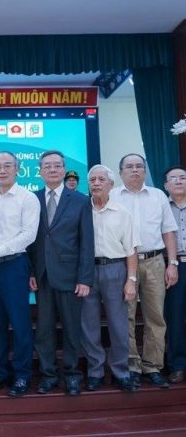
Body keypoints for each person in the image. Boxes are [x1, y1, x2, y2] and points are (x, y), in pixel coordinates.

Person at [29, 150, 94, 396]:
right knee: (44, 329)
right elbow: (29, 241)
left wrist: (85, 278)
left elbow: (87, 242)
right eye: (47, 166)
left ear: (64, 169)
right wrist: (30, 272)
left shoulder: (80, 200)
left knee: (71, 328)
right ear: (40, 171)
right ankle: (48, 375)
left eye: (57, 165)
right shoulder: (32, 199)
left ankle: (72, 375)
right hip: (42, 275)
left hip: (70, 276)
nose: (52, 169)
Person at [110, 153, 178, 389]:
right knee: (125, 316)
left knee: (155, 316)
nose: (135, 170)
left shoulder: (158, 196)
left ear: (145, 170)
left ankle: (153, 366)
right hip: (122, 263)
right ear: (120, 172)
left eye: (139, 166)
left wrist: (172, 263)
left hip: (154, 261)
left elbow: (168, 230)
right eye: (129, 166)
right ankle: (131, 365)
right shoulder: (112, 196)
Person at [0, 151, 40, 397]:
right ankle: (0, 373)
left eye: (7, 166)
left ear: (17, 169)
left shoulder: (27, 198)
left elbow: (29, 235)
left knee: (20, 323)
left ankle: (22, 375)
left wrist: (0, 249)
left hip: (14, 265)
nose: (2, 170)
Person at [81, 165, 138, 392]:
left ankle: (120, 372)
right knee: (89, 324)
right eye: (92, 180)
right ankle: (95, 371)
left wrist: (131, 280)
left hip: (115, 269)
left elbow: (131, 250)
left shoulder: (122, 212)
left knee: (118, 323)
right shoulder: (81, 210)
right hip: (86, 271)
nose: (96, 183)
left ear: (111, 185)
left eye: (101, 179)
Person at [163, 166, 186, 383]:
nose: (178, 181)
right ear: (166, 185)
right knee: (175, 316)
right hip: (173, 266)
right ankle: (178, 365)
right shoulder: (162, 207)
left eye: (182, 178)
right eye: (173, 178)